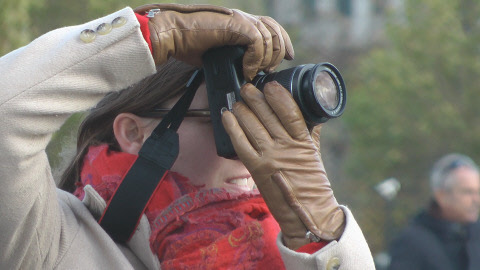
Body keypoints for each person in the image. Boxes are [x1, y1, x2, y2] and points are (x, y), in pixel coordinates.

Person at [0, 3, 374, 269]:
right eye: (225, 118)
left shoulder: (294, 255)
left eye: (271, 121)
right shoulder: (51, 243)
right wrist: (146, 34)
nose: (255, 151)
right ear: (134, 132)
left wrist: (323, 234)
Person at [388, 153, 480, 270]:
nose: (476, 200)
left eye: (478, 192)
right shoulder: (412, 243)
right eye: (467, 192)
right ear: (441, 196)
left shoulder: (476, 236)